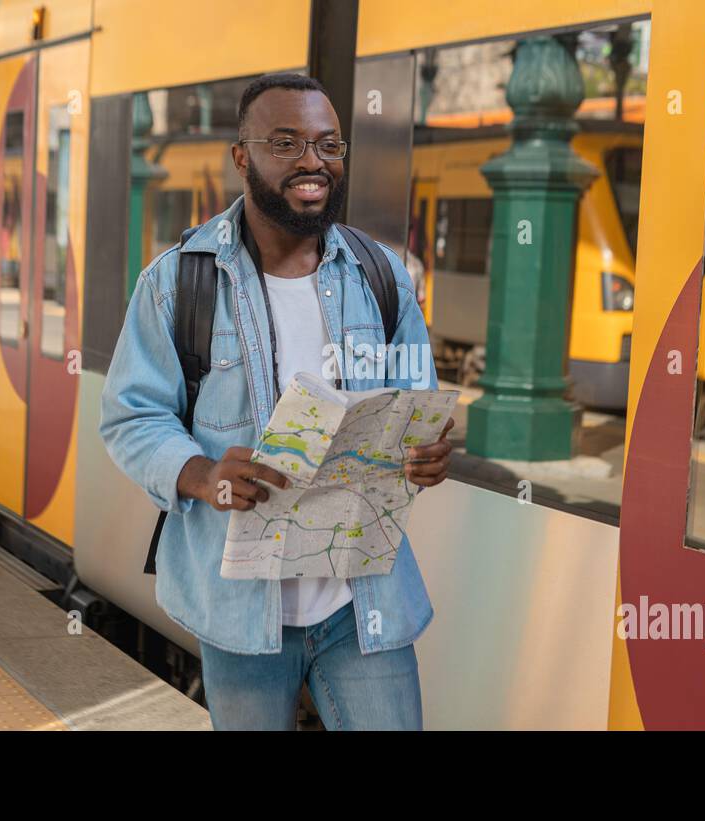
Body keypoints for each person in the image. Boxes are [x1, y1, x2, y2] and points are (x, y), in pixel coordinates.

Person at [99, 73, 453, 730]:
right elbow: (130, 415)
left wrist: (423, 453)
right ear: (243, 157)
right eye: (286, 142)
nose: (312, 161)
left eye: (328, 144)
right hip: (240, 612)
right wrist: (201, 475)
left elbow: (414, 405)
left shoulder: (382, 277)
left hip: (361, 602)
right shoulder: (179, 282)